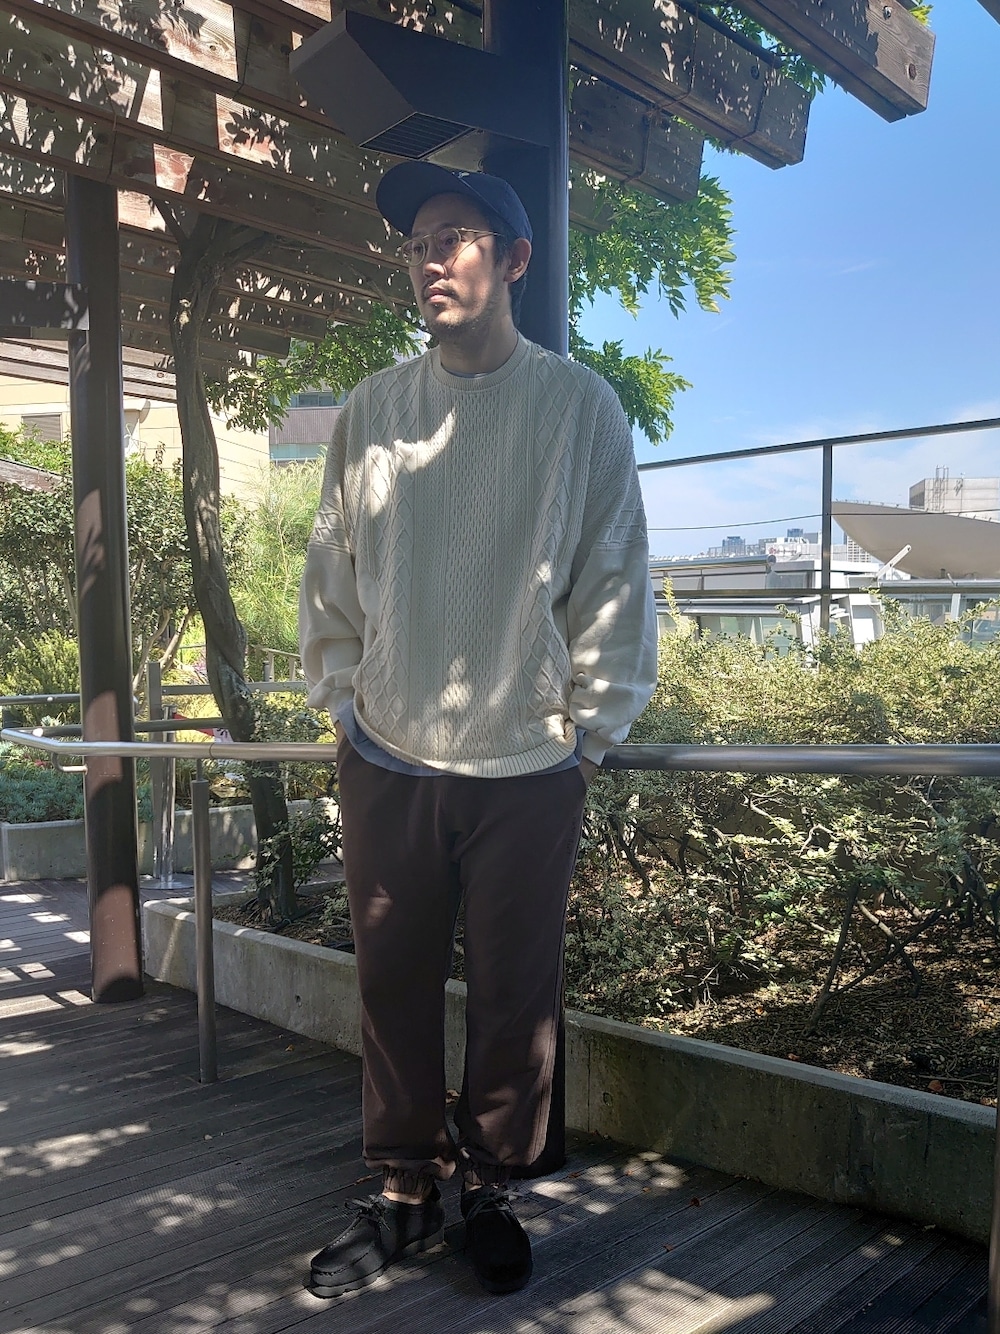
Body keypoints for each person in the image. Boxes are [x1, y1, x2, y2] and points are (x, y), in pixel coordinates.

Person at [299, 160, 658, 1298]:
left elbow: (615, 573)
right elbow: (331, 570)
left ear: (514, 259)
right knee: (390, 981)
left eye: (453, 237)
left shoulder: (580, 406)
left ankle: (492, 1185)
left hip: (530, 759)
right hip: (388, 752)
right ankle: (405, 1187)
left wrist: (589, 733)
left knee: (516, 991)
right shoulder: (371, 409)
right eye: (415, 243)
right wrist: (343, 704)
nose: (428, 260)